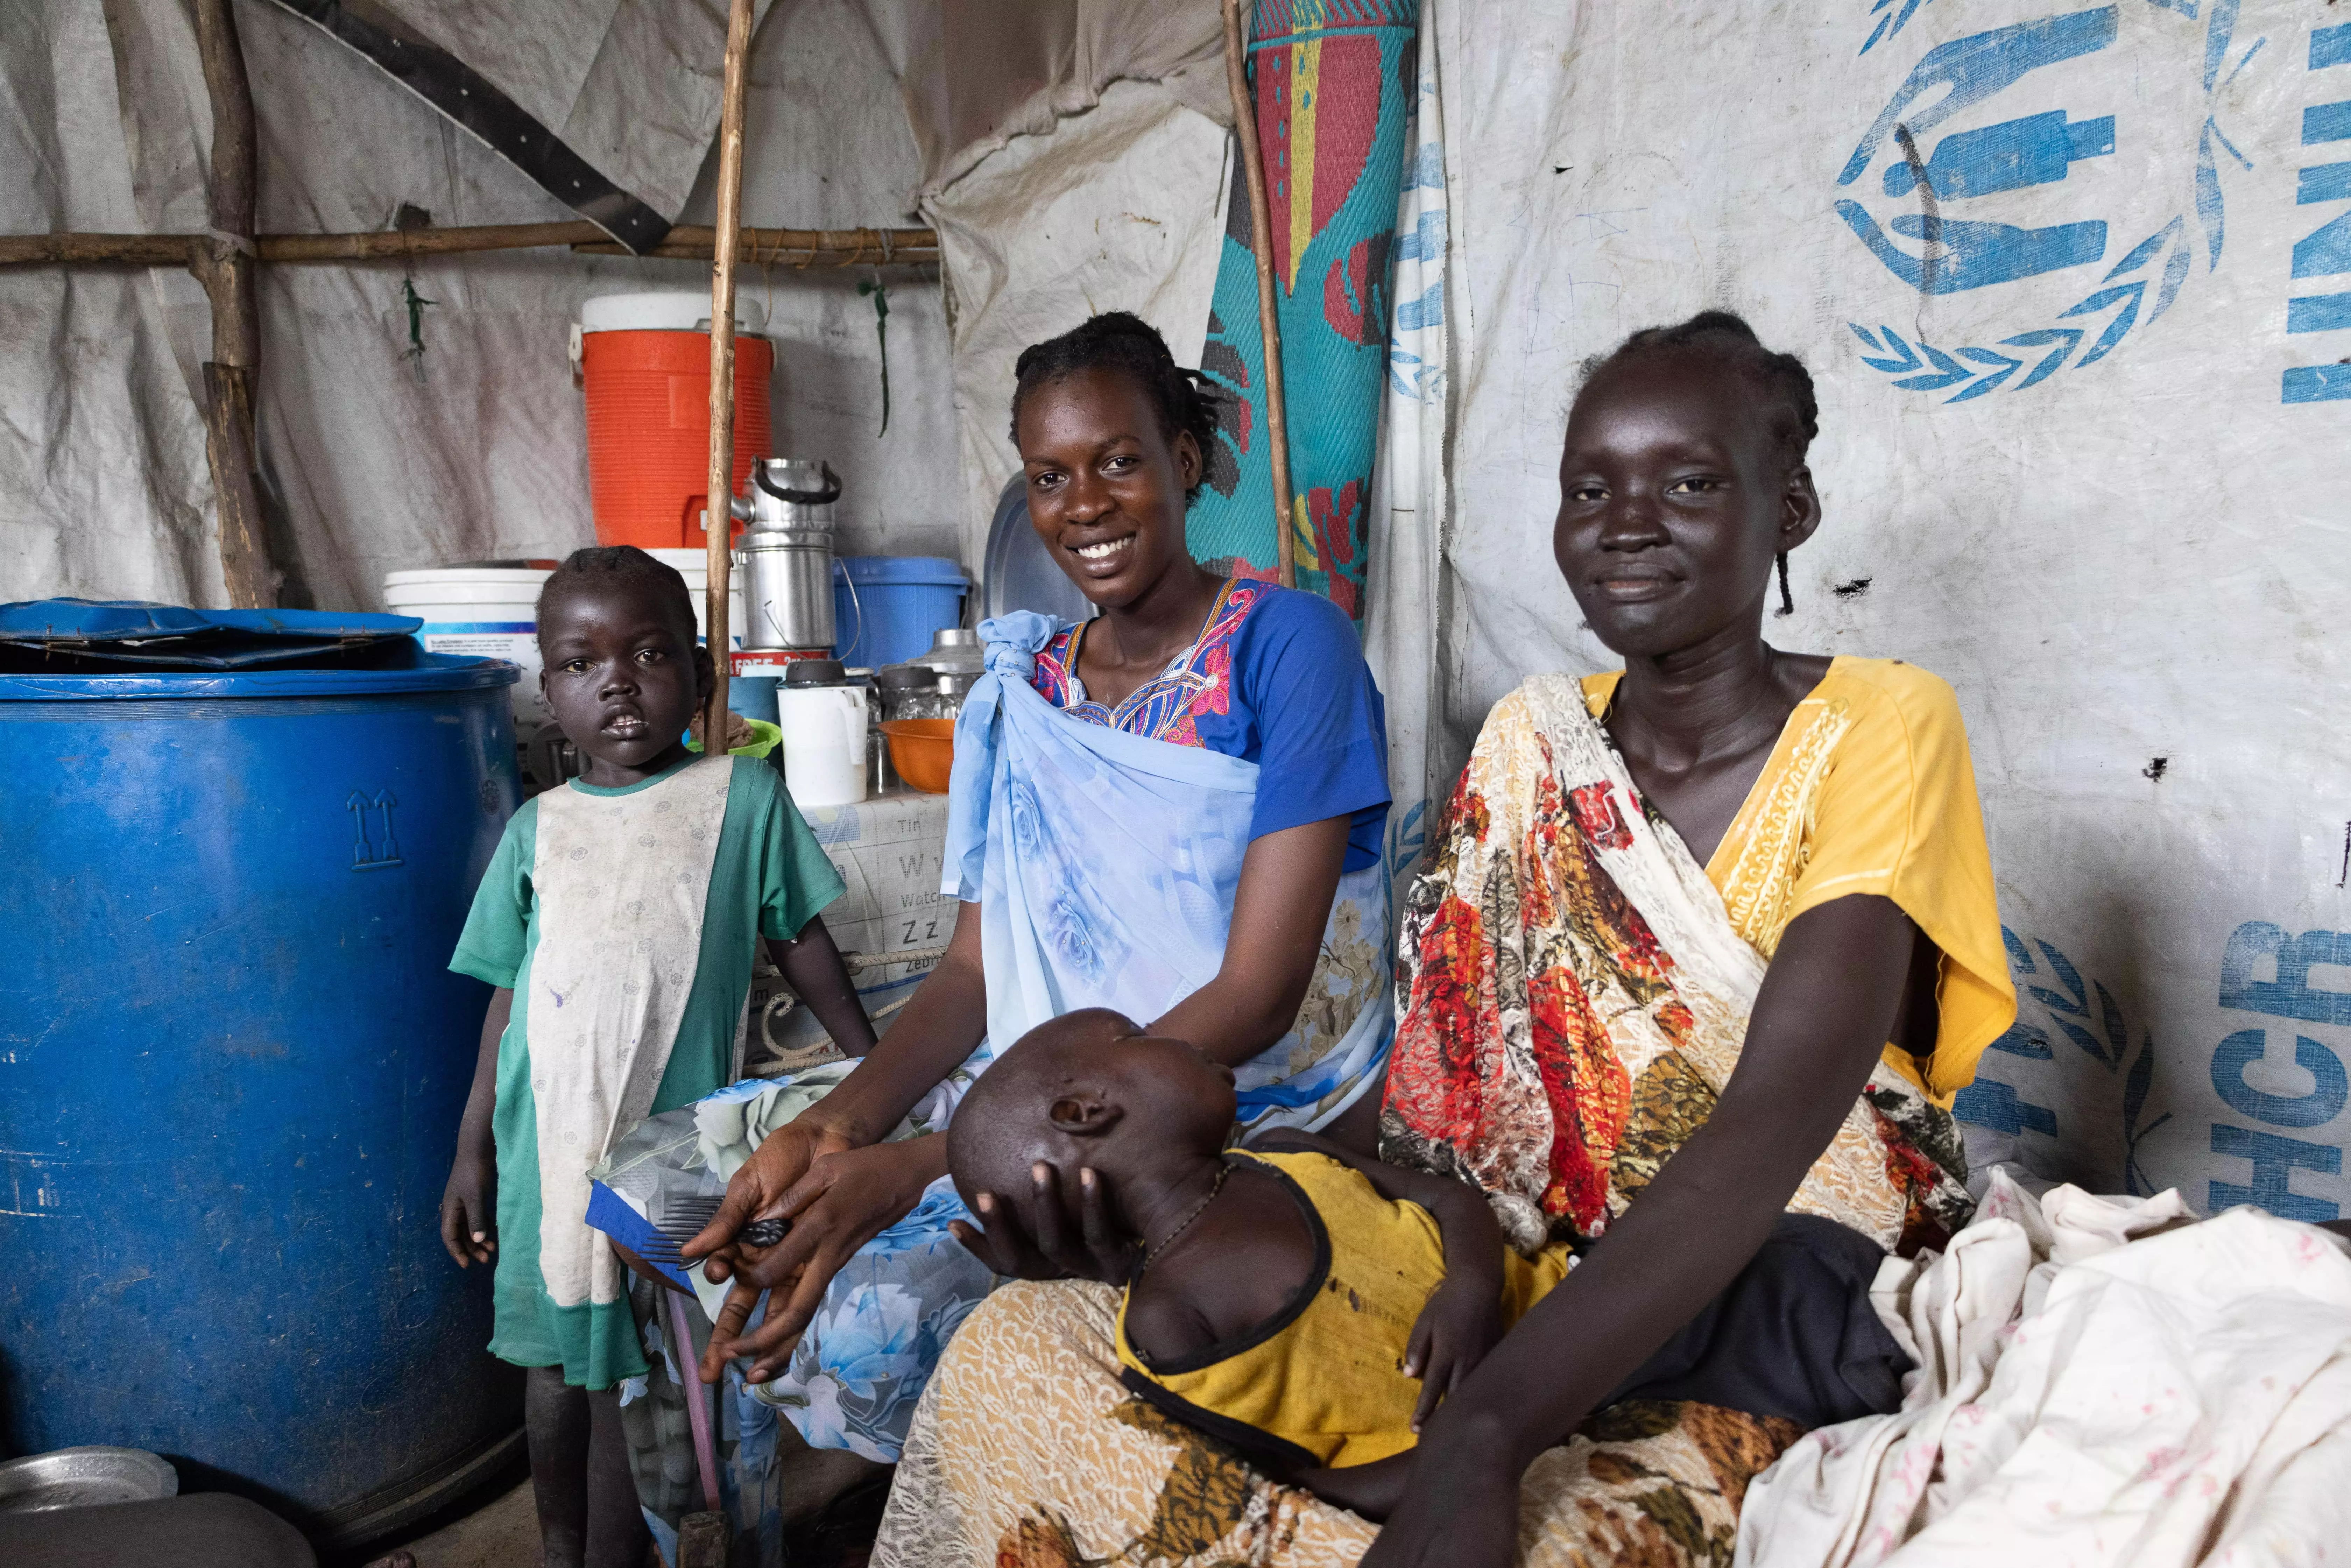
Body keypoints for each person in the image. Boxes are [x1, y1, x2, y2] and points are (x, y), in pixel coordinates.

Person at [874, 311, 2018, 1568]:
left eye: (1688, 481)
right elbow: (1442, 1084)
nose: (1628, 519)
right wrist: (1172, 1200)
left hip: (1773, 1253)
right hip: (1524, 1246)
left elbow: (1768, 1129)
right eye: (1592, 487)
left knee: (1565, 1534)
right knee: (1012, 1357)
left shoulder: (1883, 725)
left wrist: (1485, 1432)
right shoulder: (1535, 739)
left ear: (1789, 509)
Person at [666, 311, 1396, 1465]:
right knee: (751, 1217)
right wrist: (836, 1121)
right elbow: (972, 967)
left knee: (876, 1318)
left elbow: (1258, 996)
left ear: (1187, 463)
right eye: (1050, 478)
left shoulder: (1288, 649)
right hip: (1043, 1089)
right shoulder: (1027, 688)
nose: (1086, 506)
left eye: (1118, 461)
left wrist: (935, 1156)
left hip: (1244, 1098)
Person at [438, 545, 875, 1568]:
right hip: (544, 1144)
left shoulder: (741, 796)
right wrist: (472, 1150)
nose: (618, 682)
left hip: (678, 1155)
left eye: (648, 654)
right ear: (549, 691)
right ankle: (563, 1553)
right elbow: (509, 995)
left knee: (668, 1366)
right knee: (555, 1372)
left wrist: (875, 1074)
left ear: (703, 674)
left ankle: (656, 1546)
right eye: (583, 664)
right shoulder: (537, 831)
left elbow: (802, 941)